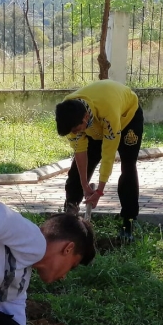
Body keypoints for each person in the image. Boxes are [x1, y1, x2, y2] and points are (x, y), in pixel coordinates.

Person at [55, 79, 144, 241]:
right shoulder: (68, 112)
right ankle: (70, 216)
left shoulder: (108, 110)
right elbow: (80, 152)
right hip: (95, 127)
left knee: (128, 167)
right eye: (72, 132)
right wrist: (84, 185)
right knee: (76, 172)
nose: (74, 133)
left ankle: (128, 223)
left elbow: (108, 156)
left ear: (85, 117)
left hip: (127, 118)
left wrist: (99, 191)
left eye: (76, 130)